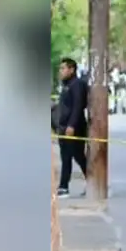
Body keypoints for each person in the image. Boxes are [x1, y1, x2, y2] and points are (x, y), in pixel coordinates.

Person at [55, 57, 89, 198]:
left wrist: (71, 125)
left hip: (74, 127)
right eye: (61, 68)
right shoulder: (66, 85)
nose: (61, 71)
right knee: (67, 157)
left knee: (78, 156)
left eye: (64, 68)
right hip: (63, 127)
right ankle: (64, 187)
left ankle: (93, 182)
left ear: (72, 69)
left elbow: (78, 106)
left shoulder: (77, 84)